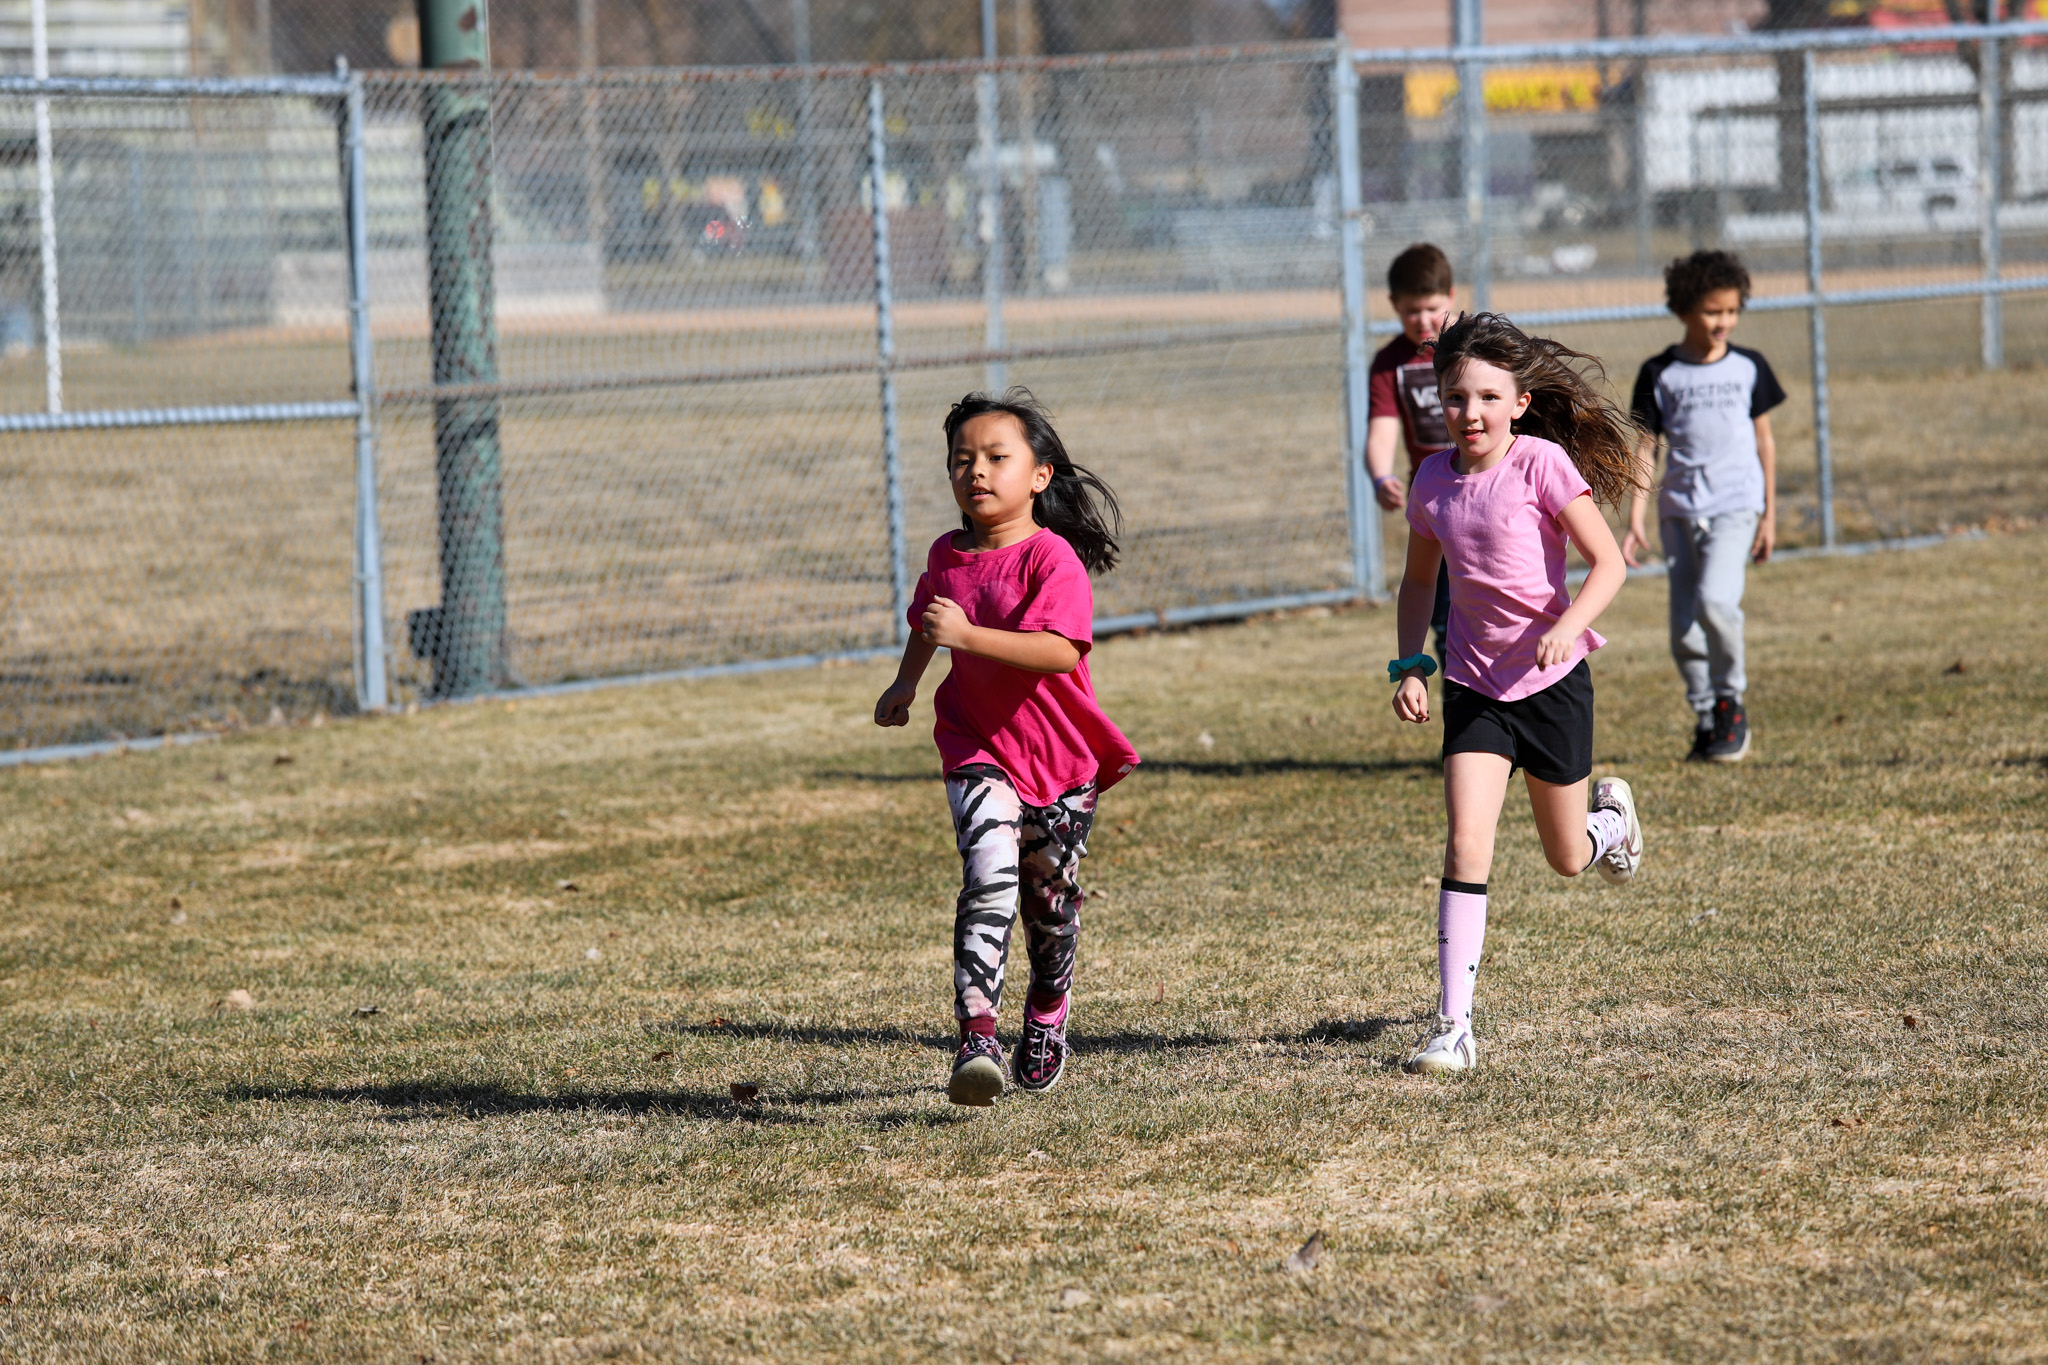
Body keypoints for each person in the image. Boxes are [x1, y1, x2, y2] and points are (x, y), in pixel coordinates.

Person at [1390, 313, 1648, 1076]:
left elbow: (1608, 564)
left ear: (1519, 403)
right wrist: (1410, 664)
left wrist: (1569, 627)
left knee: (1568, 856)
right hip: (1474, 685)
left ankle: (1614, 824)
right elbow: (1416, 580)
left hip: (1553, 683)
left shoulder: (1539, 466)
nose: (1469, 412)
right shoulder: (1433, 480)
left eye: (1486, 397)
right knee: (1466, 839)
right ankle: (1453, 1026)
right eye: (1455, 398)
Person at [874, 389, 1138, 1107]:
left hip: (1059, 758)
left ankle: (1048, 1010)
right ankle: (978, 1036)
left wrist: (968, 637)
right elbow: (931, 622)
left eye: (997, 457)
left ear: (1040, 475)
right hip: (974, 742)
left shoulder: (1052, 560)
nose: (977, 472)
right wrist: (905, 683)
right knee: (987, 872)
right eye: (962, 460)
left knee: (1048, 903)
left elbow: (1057, 651)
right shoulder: (946, 554)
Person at [1623, 249, 1785, 763]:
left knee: (1716, 602)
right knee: (1684, 627)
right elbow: (1646, 447)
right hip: (1679, 511)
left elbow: (1765, 443)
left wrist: (1770, 514)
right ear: (1684, 310)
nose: (1724, 322)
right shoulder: (1660, 372)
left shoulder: (1748, 366)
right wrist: (1636, 517)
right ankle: (1706, 715)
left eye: (1732, 311)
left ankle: (1731, 700)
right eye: (1713, 311)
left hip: (1737, 505)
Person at [1367, 242, 1459, 663]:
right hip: (1437, 501)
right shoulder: (1391, 364)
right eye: (1411, 311)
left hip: (1496, 490)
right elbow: (1382, 429)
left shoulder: (1474, 347)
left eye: (1432, 308)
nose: (1423, 321)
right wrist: (1381, 475)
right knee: (1445, 617)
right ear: (1394, 305)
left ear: (1452, 298)